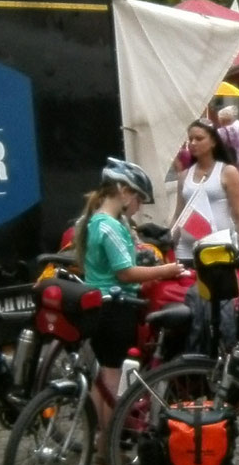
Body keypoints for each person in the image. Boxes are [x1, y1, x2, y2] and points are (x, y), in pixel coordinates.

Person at [78, 158, 183, 424]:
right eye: (138, 199)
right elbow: (126, 272)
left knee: (101, 381)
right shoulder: (110, 226)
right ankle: (105, 452)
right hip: (115, 309)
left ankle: (96, 445)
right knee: (113, 383)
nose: (138, 208)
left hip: (98, 305)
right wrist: (166, 270)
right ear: (124, 191)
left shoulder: (95, 221)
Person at [170, 120, 239, 258]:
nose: (193, 143)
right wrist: (169, 241)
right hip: (187, 251)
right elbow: (179, 215)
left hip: (219, 248)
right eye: (190, 139)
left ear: (213, 142)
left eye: (199, 138)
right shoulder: (184, 176)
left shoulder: (228, 172)